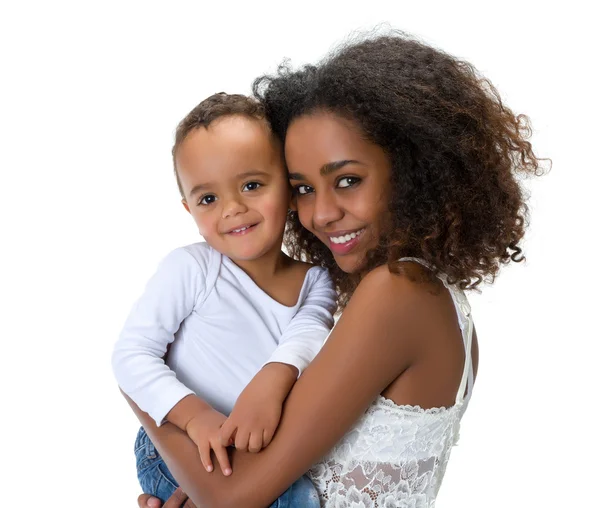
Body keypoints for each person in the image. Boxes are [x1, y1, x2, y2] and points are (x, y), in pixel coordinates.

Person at [130, 31, 543, 508]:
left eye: (347, 180)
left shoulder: (398, 293)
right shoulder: (429, 299)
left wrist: (141, 388)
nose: (320, 214)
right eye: (303, 188)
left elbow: (234, 497)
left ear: (412, 170)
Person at [112, 93, 337, 506]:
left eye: (251, 185)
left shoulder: (316, 280)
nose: (232, 209)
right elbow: (131, 354)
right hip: (178, 444)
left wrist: (274, 377)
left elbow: (310, 329)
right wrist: (194, 416)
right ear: (189, 209)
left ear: (288, 189)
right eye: (208, 199)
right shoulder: (192, 269)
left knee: (303, 493)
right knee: (298, 499)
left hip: (253, 452)